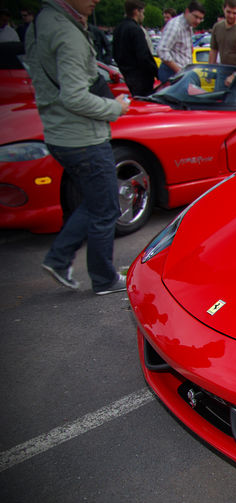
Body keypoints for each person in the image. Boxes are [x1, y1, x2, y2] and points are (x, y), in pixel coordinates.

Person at [25, 0, 131, 294]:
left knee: (96, 202)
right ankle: (102, 278)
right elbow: (74, 97)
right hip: (83, 137)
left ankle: (60, 259)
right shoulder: (66, 31)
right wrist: (115, 108)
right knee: (106, 206)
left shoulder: (41, 22)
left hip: (59, 132)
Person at [113, 0, 158, 96]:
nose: (143, 16)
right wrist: (155, 72)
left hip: (128, 75)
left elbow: (115, 53)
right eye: (143, 13)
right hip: (141, 77)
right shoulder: (135, 29)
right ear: (137, 11)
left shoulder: (118, 28)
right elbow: (144, 56)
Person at [157, 1, 205, 82]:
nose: (198, 21)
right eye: (196, 17)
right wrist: (179, 71)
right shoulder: (175, 26)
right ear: (187, 11)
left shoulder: (188, 25)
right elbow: (161, 50)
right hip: (172, 73)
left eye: (201, 19)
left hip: (181, 73)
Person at [209, 0, 236, 67]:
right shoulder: (217, 27)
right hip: (222, 68)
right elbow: (213, 50)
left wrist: (235, 73)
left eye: (234, 13)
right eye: (228, 12)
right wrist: (210, 69)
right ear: (223, 9)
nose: (231, 16)